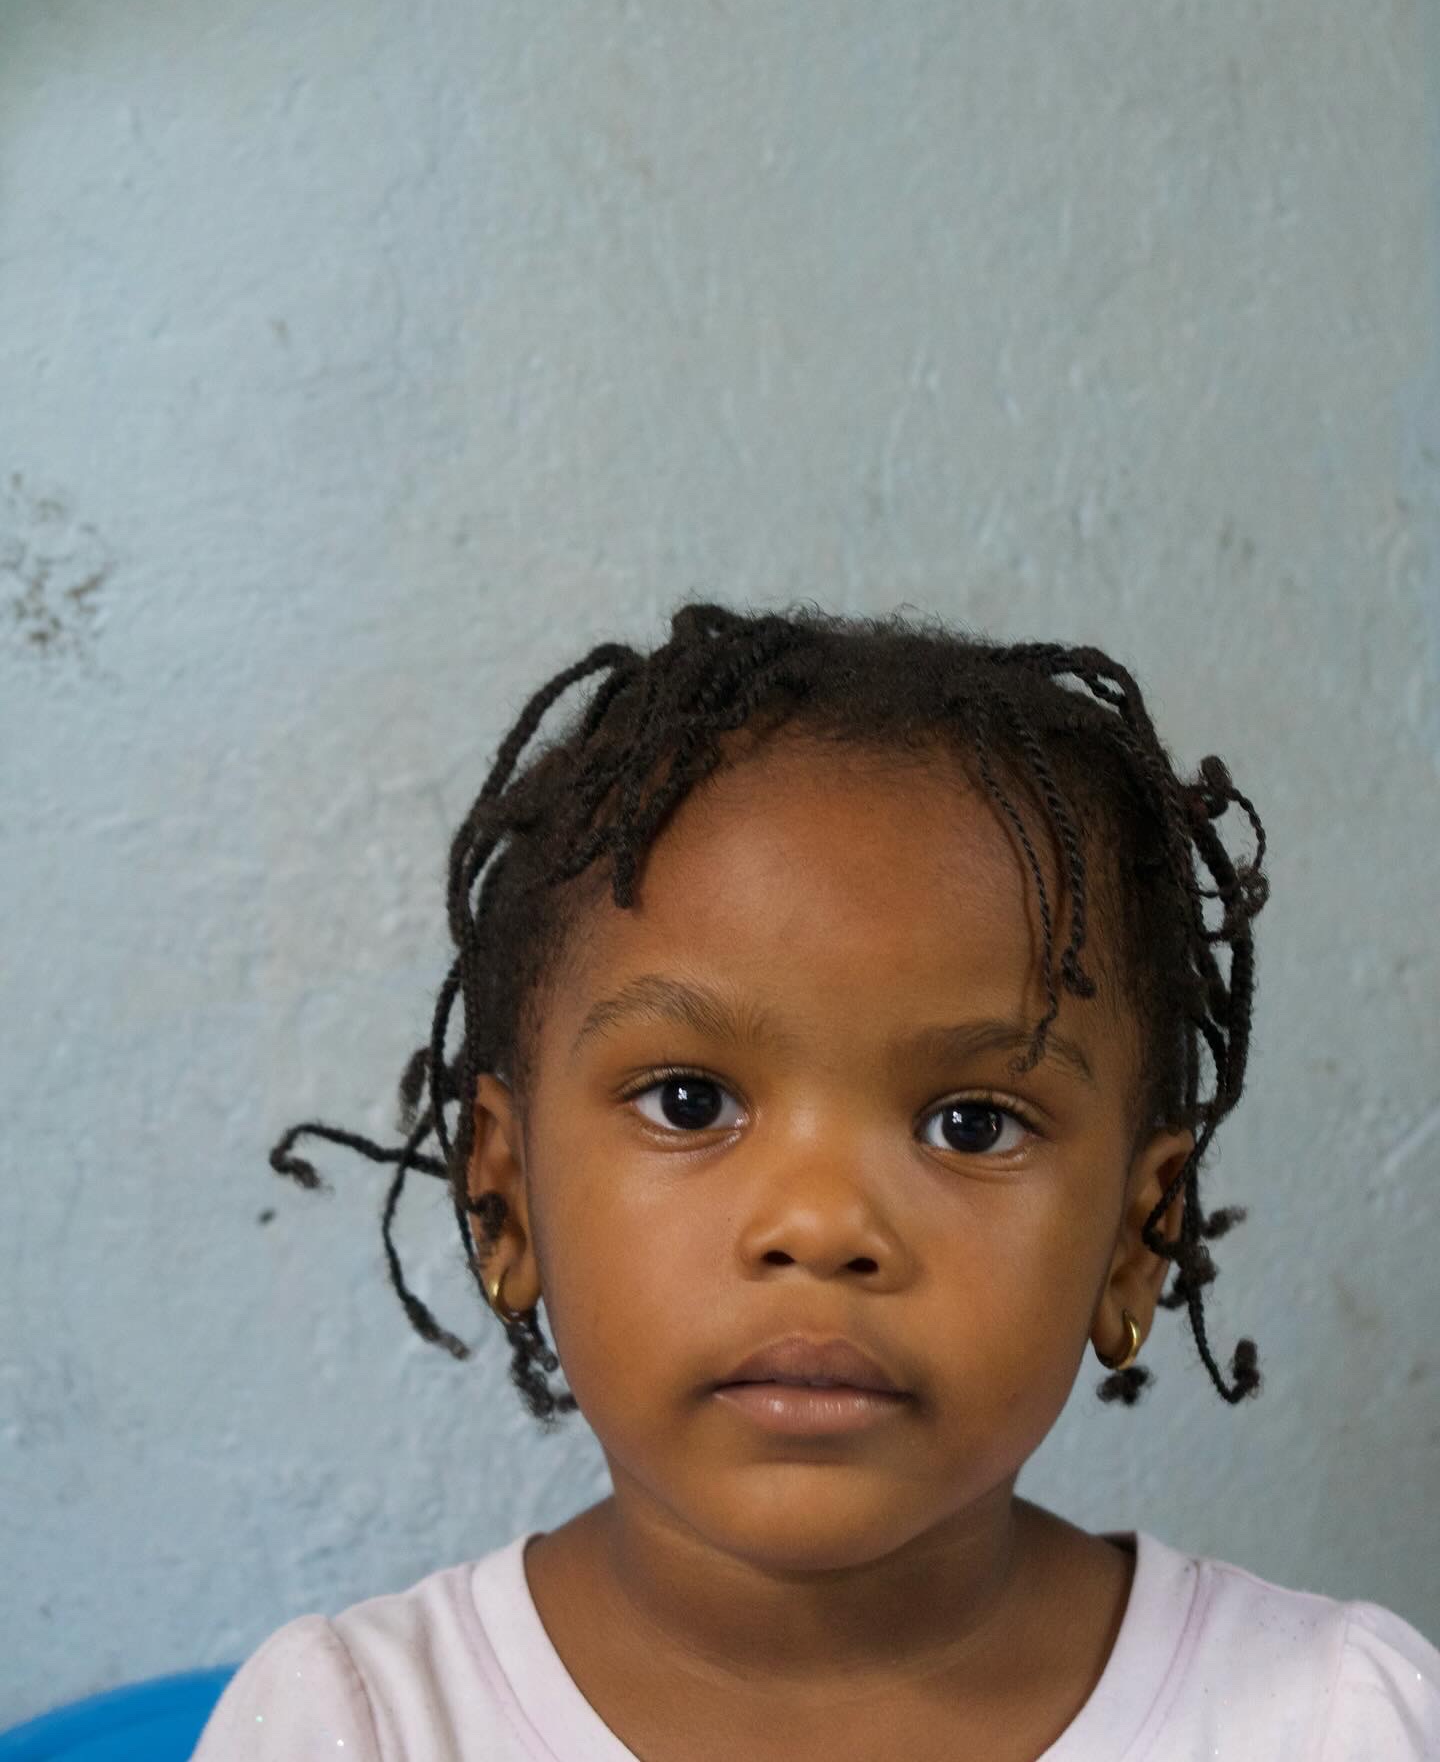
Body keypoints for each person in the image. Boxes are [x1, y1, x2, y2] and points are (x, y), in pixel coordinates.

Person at [192, 600, 1440, 1760]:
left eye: (973, 1125)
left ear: (1135, 1235)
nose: (824, 1225)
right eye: (690, 1103)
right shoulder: (359, 1728)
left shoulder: (1334, 1724)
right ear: (504, 1200)